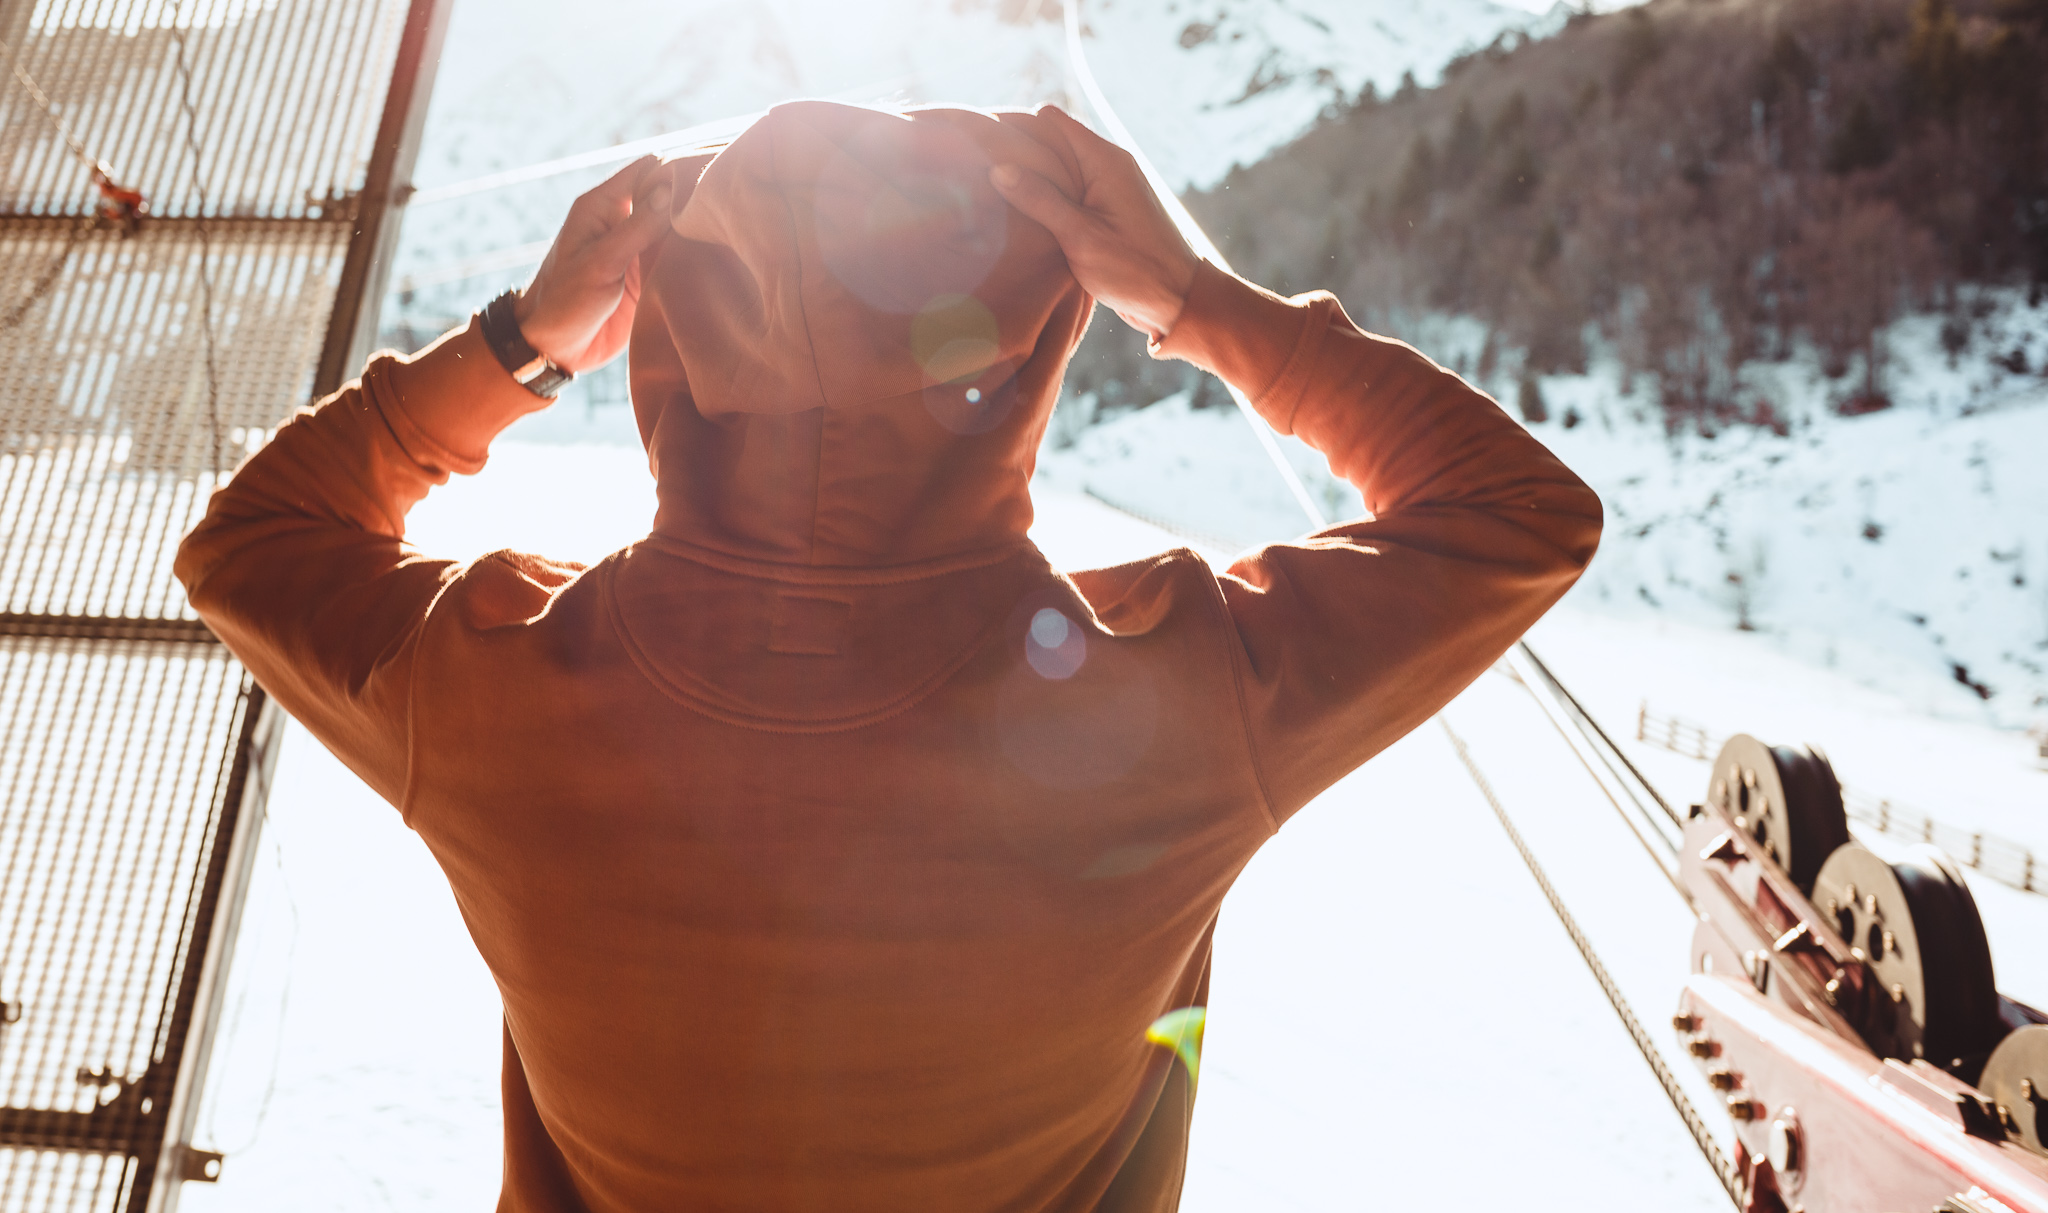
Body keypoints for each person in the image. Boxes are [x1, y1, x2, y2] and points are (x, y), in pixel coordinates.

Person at [175, 100, 1600, 1212]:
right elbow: (1518, 514)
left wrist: (521, 345)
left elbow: (249, 544)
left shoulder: (491, 686)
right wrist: (1192, 296)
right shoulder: (1177, 699)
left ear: (660, 332)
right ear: (1037, 345)